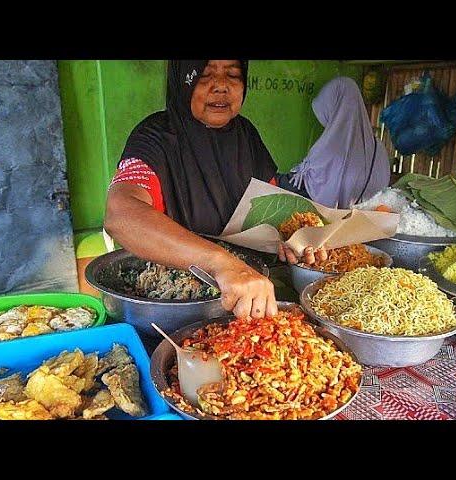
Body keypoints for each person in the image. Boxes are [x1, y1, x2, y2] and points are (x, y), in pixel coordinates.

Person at [105, 60, 324, 320]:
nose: (221, 86)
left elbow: (270, 207)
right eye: (204, 74)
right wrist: (221, 264)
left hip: (250, 296)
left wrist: (294, 239)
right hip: (178, 305)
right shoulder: (155, 136)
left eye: (233, 75)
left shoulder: (246, 134)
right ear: (182, 80)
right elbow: (120, 215)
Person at [284, 77, 391, 209]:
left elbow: (305, 188)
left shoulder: (328, 151)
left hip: (331, 226)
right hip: (368, 223)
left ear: (335, 109)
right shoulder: (379, 149)